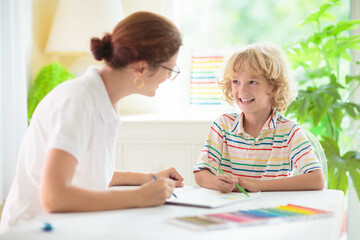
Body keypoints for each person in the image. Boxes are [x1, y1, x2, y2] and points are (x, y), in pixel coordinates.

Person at [0, 11, 184, 232]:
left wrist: (148, 178)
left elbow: (86, 175)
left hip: (67, 225)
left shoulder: (103, 100)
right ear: (141, 68)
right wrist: (139, 197)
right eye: (170, 69)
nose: (169, 78)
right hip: (33, 230)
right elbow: (54, 197)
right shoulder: (78, 102)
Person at [193, 43, 325, 193]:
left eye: (252, 82)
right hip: (229, 210)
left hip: (273, 211)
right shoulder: (223, 126)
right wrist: (217, 182)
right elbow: (201, 173)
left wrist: (259, 186)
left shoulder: (289, 132)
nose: (242, 90)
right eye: (236, 82)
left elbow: (316, 179)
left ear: (273, 87)